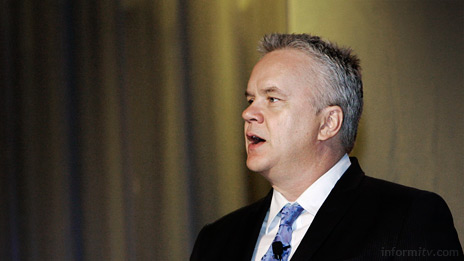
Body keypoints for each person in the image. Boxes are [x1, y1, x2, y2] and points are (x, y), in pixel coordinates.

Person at [190, 33, 463, 260]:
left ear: (328, 123)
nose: (248, 113)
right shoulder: (216, 239)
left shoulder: (408, 219)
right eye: (250, 99)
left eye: (272, 99)